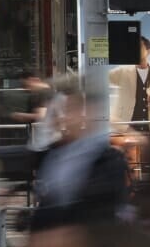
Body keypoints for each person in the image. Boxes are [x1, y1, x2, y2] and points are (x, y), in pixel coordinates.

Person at [34, 77, 130, 215]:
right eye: (66, 110)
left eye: (71, 110)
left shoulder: (108, 160)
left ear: (87, 113)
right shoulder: (54, 156)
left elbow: (102, 213)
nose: (65, 118)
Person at [107, 35, 150, 132]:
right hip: (126, 128)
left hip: (149, 128)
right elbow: (101, 79)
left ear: (148, 51)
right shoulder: (122, 71)